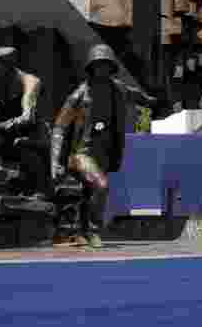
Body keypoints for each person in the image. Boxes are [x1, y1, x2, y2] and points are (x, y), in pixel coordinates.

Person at [50, 44, 160, 249]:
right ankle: (93, 230)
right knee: (101, 186)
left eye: (106, 65)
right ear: (91, 67)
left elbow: (136, 95)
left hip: (105, 154)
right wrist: (55, 161)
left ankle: (78, 232)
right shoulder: (79, 95)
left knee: (88, 193)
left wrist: (153, 101)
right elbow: (59, 126)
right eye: (98, 65)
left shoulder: (118, 88)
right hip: (81, 154)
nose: (103, 69)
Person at [0, 47, 45, 193]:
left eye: (1, 64)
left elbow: (27, 118)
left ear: (11, 65)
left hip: (27, 136)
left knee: (23, 148)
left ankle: (38, 189)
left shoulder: (30, 81)